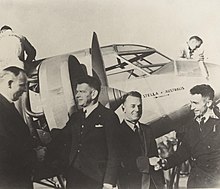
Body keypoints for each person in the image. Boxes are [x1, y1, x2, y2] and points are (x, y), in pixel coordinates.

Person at [48, 75, 121, 189]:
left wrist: (108, 182)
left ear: (93, 94)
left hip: (97, 180)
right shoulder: (76, 117)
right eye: (77, 92)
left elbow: (114, 153)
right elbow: (62, 137)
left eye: (82, 92)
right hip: (74, 179)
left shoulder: (109, 117)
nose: (77, 95)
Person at [154, 84, 220, 188]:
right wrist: (165, 162)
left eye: (195, 103)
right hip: (195, 182)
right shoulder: (191, 125)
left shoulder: (218, 124)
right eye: (191, 103)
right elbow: (184, 152)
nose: (192, 107)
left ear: (208, 103)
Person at [0, 66, 46, 189]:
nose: (25, 90)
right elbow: (4, 150)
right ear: (10, 83)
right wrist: (34, 155)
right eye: (22, 85)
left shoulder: (7, 106)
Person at [118, 91, 164, 189]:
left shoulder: (148, 130)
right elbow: (122, 161)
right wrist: (147, 162)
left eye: (139, 106)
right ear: (123, 108)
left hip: (153, 184)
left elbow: (154, 155)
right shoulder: (117, 132)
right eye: (133, 106)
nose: (137, 109)